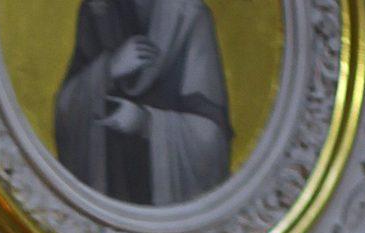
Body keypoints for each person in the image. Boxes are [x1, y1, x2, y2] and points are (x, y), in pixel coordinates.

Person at [54, 0, 232, 205]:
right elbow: (66, 112)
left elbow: (212, 139)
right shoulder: (97, 9)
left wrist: (145, 122)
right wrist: (108, 69)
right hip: (107, 184)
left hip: (161, 197)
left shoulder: (190, 16)